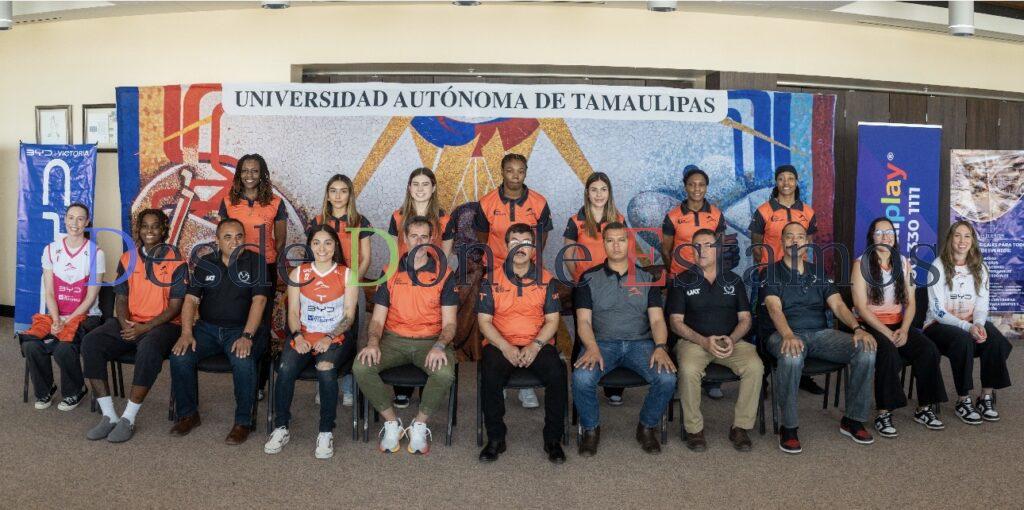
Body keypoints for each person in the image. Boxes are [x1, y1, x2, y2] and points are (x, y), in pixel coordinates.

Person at [762, 222, 876, 454]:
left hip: (820, 334)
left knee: (865, 348)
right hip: (783, 334)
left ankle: (853, 419)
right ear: (782, 242)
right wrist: (788, 335)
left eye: (800, 237)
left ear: (807, 243)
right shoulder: (770, 272)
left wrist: (857, 328)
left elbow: (838, 304)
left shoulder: (818, 272)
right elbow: (774, 309)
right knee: (792, 356)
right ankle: (789, 427)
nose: (795, 241)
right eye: (789, 236)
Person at [352, 216, 458, 455]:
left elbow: (450, 324)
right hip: (394, 339)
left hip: (430, 340)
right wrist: (372, 343)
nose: (419, 241)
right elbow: (378, 319)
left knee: (444, 373)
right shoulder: (389, 271)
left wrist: (440, 345)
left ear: (431, 240)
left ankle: (419, 424)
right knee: (361, 366)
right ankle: (392, 422)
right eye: (414, 236)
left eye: (424, 237)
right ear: (404, 239)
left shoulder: (445, 274)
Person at [81, 209, 187, 443]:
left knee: (149, 349)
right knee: (91, 342)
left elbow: (175, 307)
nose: (149, 231)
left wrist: (144, 327)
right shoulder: (127, 258)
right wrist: (124, 323)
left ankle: (128, 417)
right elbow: (121, 297)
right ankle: (109, 416)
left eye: (155, 226)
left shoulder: (177, 261)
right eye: (145, 226)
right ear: (138, 230)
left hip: (164, 325)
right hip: (131, 321)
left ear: (164, 230)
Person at [572, 222, 677, 456]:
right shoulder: (588, 278)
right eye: (610, 240)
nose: (616, 245)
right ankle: (590, 429)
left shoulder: (646, 278)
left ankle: (646, 427)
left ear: (629, 243)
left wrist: (660, 347)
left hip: (640, 344)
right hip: (601, 344)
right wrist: (591, 347)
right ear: (604, 244)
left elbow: (658, 321)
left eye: (621, 240)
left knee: (668, 379)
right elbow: (584, 322)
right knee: (581, 378)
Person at [168, 219, 272, 445]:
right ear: (217, 241)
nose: (234, 242)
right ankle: (188, 414)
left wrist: (247, 336)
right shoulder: (205, 263)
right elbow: (190, 300)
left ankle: (243, 422)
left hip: (242, 329)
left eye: (239, 237)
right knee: (180, 355)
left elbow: (260, 300)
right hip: (207, 329)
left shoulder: (257, 262)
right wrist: (186, 332)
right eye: (227, 237)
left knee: (242, 359)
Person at [265, 225, 358, 459]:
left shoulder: (347, 274)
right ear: (310, 245)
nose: (322, 248)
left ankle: (326, 430)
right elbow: (293, 312)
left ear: (335, 245)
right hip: (304, 334)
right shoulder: (299, 274)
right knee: (285, 368)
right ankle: (281, 427)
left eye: (328, 242)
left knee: (325, 370)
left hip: (335, 337)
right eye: (316, 242)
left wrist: (328, 338)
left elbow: (349, 316)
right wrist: (297, 336)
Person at [477, 223, 567, 464]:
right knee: (490, 372)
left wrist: (535, 345)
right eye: (514, 242)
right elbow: (484, 322)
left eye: (526, 242)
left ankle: (553, 439)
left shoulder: (546, 279)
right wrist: (505, 346)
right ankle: (496, 438)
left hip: (536, 344)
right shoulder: (491, 279)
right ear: (506, 247)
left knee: (558, 373)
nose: (520, 247)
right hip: (500, 344)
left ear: (534, 248)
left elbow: (552, 321)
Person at [667, 229, 762, 452]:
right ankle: (694, 430)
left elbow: (746, 319)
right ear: (691, 251)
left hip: (731, 341)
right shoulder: (681, 281)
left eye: (708, 245)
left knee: (755, 366)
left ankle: (740, 427)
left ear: (718, 249)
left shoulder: (734, 280)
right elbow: (675, 322)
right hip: (694, 343)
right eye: (697, 246)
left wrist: (732, 338)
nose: (703, 250)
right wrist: (703, 341)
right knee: (689, 370)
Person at [852, 217, 946, 437]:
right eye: (879, 232)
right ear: (871, 238)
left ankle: (924, 408)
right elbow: (860, 307)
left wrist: (904, 330)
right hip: (871, 325)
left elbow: (911, 303)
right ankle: (884, 412)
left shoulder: (903, 262)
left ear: (895, 238)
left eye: (889, 232)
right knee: (888, 352)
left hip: (897, 324)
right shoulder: (860, 264)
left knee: (928, 350)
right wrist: (886, 333)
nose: (885, 236)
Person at [474, 153, 552, 409]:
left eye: (520, 171)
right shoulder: (486, 202)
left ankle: (527, 387)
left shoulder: (539, 202)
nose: (515, 175)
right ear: (502, 172)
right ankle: (501, 381)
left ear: (525, 173)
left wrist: (529, 262)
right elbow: (482, 238)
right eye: (510, 170)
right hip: (497, 272)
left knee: (529, 322)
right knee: (499, 324)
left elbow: (540, 239)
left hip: (527, 272)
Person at [924, 221, 1012, 424]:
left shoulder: (980, 268)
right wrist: (967, 327)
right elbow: (938, 311)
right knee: (963, 341)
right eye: (957, 235)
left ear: (972, 241)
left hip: (971, 321)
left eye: (967, 236)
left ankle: (985, 397)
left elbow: (982, 304)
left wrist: (979, 324)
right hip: (938, 326)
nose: (962, 241)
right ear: (950, 239)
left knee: (996, 340)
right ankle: (963, 400)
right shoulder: (937, 266)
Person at [749, 164, 825, 396]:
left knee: (800, 322)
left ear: (796, 181)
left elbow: (807, 243)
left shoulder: (808, 211)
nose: (786, 183)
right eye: (781, 179)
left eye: (790, 178)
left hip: (799, 275)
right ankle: (761, 378)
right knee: (763, 325)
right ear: (776, 182)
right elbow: (756, 245)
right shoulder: (764, 210)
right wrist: (768, 268)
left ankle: (802, 374)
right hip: (770, 274)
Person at [20, 203, 104, 411]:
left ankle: (76, 390)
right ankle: (45, 389)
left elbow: (91, 297)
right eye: (71, 217)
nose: (74, 223)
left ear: (87, 222)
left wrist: (67, 320)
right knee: (31, 345)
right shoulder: (51, 250)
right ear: (65, 219)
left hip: (86, 316)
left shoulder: (95, 253)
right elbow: (49, 292)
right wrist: (57, 318)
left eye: (80, 218)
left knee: (63, 348)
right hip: (57, 314)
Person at [387, 168, 456, 409]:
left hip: (431, 280)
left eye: (425, 184)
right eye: (415, 183)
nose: (420, 188)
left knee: (428, 325)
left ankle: (428, 385)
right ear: (409, 187)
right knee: (401, 324)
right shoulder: (397, 216)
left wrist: (435, 280)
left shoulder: (444, 218)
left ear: (433, 187)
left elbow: (445, 255)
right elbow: (394, 253)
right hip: (404, 277)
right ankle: (402, 390)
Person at [219, 153, 286, 399]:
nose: (249, 175)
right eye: (245, 171)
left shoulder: (275, 202)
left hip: (264, 267)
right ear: (238, 174)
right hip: (235, 267)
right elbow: (224, 234)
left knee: (262, 325)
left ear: (262, 174)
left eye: (255, 171)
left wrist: (277, 269)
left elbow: (281, 239)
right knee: (238, 318)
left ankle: (258, 384)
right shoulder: (228, 201)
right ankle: (241, 372)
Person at [661, 165, 728, 401]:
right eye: (692, 184)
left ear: (706, 187)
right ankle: (678, 380)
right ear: (685, 187)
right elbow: (666, 250)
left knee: (715, 322)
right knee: (676, 327)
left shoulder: (717, 215)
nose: (696, 188)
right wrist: (677, 273)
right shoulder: (673, 216)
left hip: (711, 279)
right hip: (681, 280)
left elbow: (718, 248)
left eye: (701, 184)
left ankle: (712, 380)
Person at [563, 172, 628, 406]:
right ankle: (579, 382)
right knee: (585, 332)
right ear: (587, 192)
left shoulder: (619, 218)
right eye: (594, 189)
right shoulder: (576, 220)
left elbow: (624, 250)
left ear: (609, 193)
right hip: (587, 286)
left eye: (603, 189)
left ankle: (614, 388)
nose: (599, 194)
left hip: (613, 284)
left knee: (614, 329)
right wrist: (579, 280)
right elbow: (569, 254)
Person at [309, 173, 372, 407]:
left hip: (352, 285)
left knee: (353, 336)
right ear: (327, 195)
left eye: (343, 190)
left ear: (350, 194)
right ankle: (324, 384)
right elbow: (311, 256)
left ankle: (348, 385)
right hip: (324, 286)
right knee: (322, 332)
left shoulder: (360, 221)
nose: (338, 195)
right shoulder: (317, 221)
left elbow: (366, 257)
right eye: (333, 190)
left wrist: (353, 280)